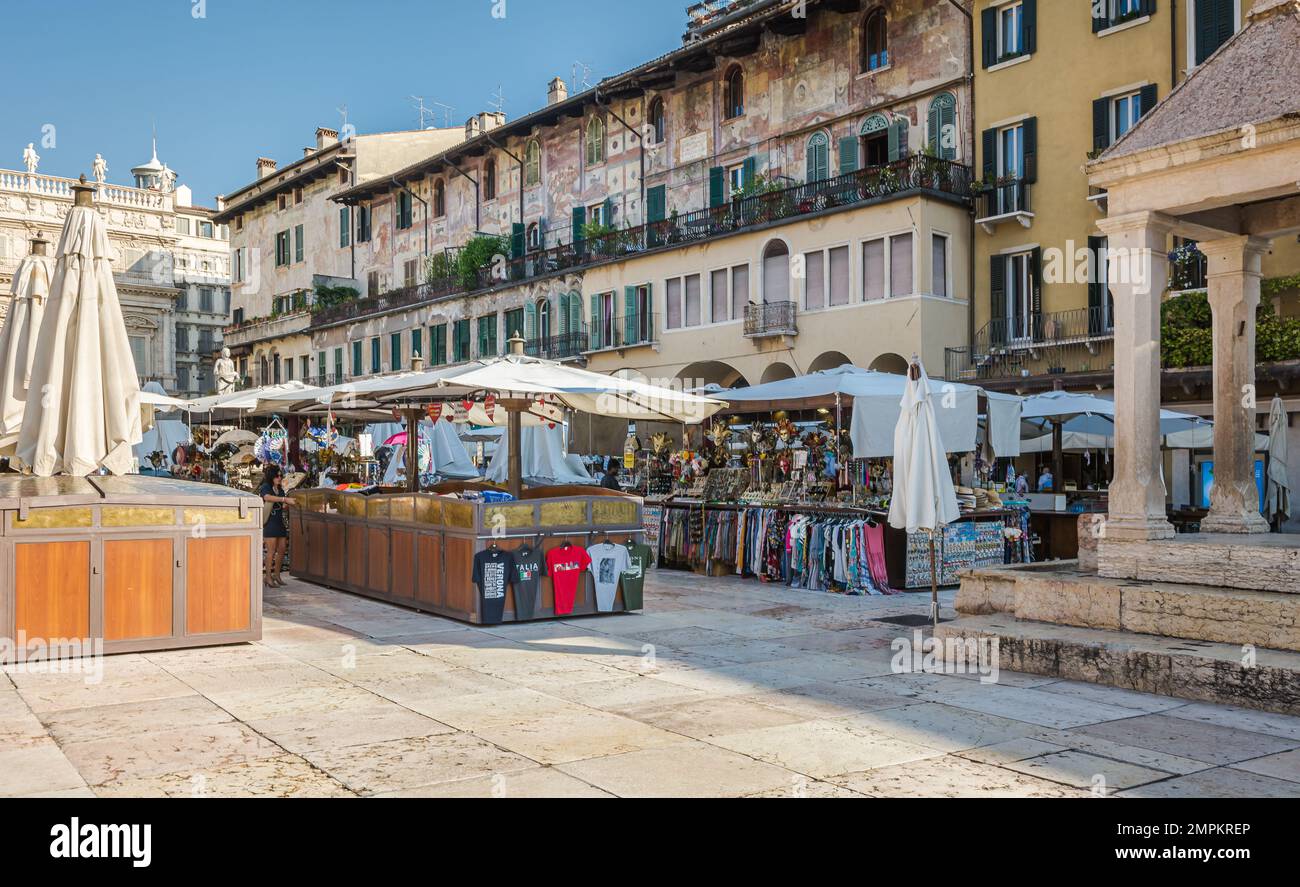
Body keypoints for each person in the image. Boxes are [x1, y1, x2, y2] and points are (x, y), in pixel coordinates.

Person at [259, 465, 295, 587]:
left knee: (281, 549)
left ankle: (277, 575)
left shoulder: (280, 489)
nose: (279, 478)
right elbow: (267, 497)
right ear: (271, 476)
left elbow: (281, 505)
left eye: (280, 476)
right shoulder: (266, 487)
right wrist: (284, 499)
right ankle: (268, 577)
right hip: (270, 522)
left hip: (279, 522)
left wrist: (288, 504)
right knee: (271, 551)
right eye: (277, 476)